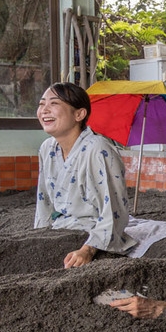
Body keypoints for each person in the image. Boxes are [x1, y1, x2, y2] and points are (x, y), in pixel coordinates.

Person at [34, 82, 135, 268]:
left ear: (79, 114)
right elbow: (44, 202)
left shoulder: (98, 149)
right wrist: (39, 237)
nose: (44, 110)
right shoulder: (47, 148)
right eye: (41, 104)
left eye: (54, 104)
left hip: (91, 235)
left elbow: (114, 209)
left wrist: (88, 249)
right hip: (60, 230)